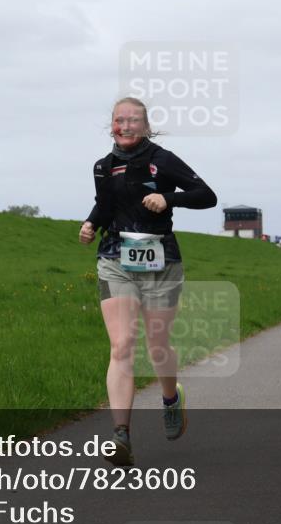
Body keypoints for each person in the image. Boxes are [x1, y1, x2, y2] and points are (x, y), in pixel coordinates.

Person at [79, 97, 217, 466]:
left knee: (157, 346)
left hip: (161, 261)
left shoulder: (164, 160)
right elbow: (105, 204)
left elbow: (207, 196)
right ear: (111, 125)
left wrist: (168, 198)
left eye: (132, 120)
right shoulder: (102, 167)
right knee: (122, 344)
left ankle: (171, 398)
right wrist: (92, 223)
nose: (124, 126)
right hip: (115, 260)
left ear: (146, 126)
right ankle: (121, 435)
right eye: (118, 120)